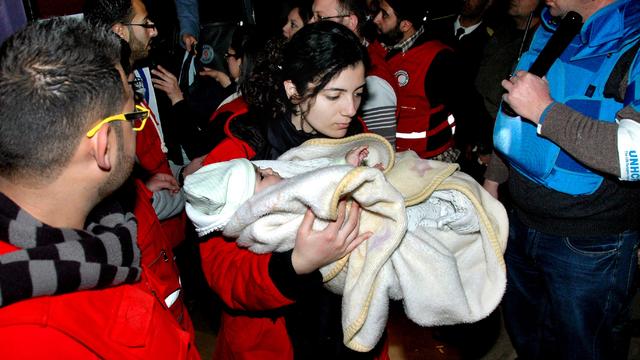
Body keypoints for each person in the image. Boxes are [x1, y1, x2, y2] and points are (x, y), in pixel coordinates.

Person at [0, 18, 198, 358]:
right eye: (132, 116)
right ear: (103, 145)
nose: (136, 125)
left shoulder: (106, 232)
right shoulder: (38, 339)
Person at [198, 21, 391, 359]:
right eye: (334, 95)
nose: (350, 109)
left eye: (358, 94)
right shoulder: (241, 151)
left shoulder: (357, 138)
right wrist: (296, 264)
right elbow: (223, 272)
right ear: (293, 89)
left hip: (348, 328)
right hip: (275, 338)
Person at [484, 0, 640, 358]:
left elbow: (636, 156)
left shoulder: (635, 39)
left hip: (590, 243)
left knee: (585, 347)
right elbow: (513, 111)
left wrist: (545, 111)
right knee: (530, 339)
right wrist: (493, 182)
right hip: (519, 221)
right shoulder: (550, 25)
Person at [373, 0, 482, 164]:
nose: (376, 19)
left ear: (405, 25)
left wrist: (483, 147)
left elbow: (468, 107)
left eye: (385, 14)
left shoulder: (440, 60)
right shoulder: (376, 48)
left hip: (426, 160)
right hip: (385, 153)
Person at [310, 0, 399, 147]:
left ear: (350, 22)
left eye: (320, 18)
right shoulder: (339, 64)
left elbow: (381, 152)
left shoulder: (372, 79)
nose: (311, 23)